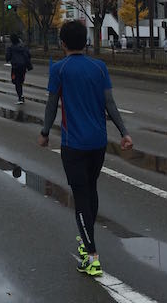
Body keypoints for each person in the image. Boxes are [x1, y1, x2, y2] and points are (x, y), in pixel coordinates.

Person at [37, 20, 132, 278]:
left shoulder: (59, 69)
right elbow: (110, 103)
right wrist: (124, 132)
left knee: (80, 197)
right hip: (98, 142)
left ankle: (91, 257)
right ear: (86, 42)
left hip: (73, 144)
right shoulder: (99, 67)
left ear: (63, 43)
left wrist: (45, 133)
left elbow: (51, 105)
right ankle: (86, 239)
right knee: (90, 190)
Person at [6, 33, 31, 104]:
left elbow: (7, 57)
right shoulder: (23, 47)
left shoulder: (11, 48)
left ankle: (20, 97)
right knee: (20, 81)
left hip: (15, 67)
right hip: (23, 67)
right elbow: (29, 55)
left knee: (16, 82)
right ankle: (21, 95)